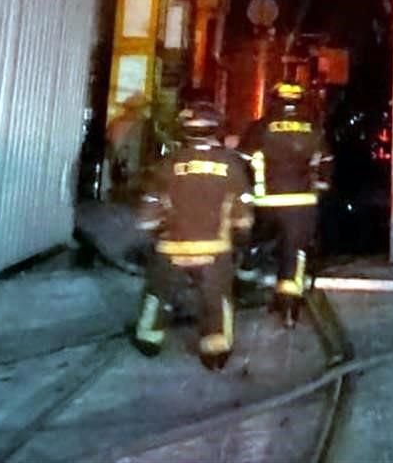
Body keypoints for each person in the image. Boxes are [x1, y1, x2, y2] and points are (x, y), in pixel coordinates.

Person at [132, 101, 253, 370]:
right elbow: (242, 208)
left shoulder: (168, 164)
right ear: (215, 129)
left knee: (158, 293)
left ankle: (149, 338)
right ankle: (215, 349)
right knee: (216, 299)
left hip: (171, 248)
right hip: (214, 250)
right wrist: (242, 231)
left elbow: (150, 208)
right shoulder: (230, 165)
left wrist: (152, 230)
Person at [239, 82, 332, 327]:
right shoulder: (313, 129)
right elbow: (325, 162)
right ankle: (289, 308)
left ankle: (244, 278)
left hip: (265, 201)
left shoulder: (260, 127)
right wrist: (320, 188)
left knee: (255, 240)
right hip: (301, 203)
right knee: (295, 252)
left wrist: (245, 193)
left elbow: (243, 161)